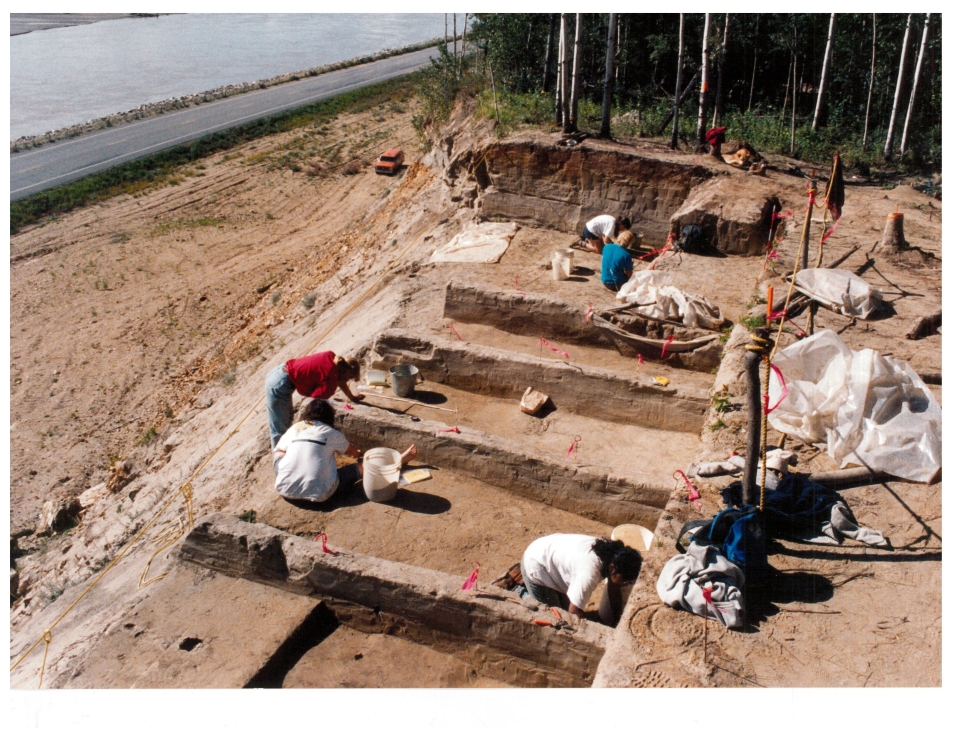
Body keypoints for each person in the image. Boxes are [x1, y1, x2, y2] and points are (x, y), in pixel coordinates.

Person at [273, 398, 417, 503]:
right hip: (322, 496)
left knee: (280, 453)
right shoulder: (330, 432)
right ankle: (400, 460)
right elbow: (353, 453)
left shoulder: (296, 427)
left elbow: (278, 450)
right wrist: (359, 453)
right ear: (329, 416)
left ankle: (290, 476)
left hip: (286, 493)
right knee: (362, 468)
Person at [520, 533, 642, 623]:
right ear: (612, 569)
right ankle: (521, 592)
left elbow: (614, 588)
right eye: (624, 580)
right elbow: (573, 613)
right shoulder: (589, 574)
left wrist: (616, 619)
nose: (624, 583)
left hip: (547, 554)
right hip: (536, 567)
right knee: (556, 618)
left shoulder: (612, 554)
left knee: (564, 608)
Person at [264, 351, 364, 450]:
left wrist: (350, 396)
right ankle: (280, 462)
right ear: (347, 372)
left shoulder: (331, 357)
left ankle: (288, 453)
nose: (347, 381)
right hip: (280, 385)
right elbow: (314, 404)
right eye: (349, 378)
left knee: (287, 419)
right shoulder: (330, 381)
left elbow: (339, 379)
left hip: (279, 372)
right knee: (279, 430)